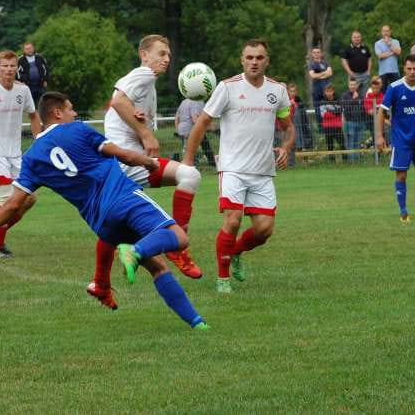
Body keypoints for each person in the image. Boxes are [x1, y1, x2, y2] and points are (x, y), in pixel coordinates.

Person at [0, 92, 208, 329]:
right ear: (57, 113)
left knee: (157, 266)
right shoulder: (77, 129)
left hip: (100, 221)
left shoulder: (32, 157)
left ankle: (197, 323)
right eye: (71, 108)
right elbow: (124, 155)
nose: (74, 113)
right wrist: (149, 162)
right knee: (179, 237)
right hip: (123, 197)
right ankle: (134, 251)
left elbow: (14, 203)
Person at [182, 39, 295, 294]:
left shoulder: (277, 90)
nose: (254, 62)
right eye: (249, 57)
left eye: (259, 57)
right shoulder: (227, 88)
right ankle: (223, 280)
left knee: (264, 230)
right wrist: (188, 159)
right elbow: (201, 123)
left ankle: (234, 253)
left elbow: (288, 128)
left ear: (267, 60)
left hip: (263, 170)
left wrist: (286, 147)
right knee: (232, 221)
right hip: (232, 167)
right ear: (242, 60)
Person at [103, 35, 203, 279]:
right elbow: (117, 101)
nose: (166, 59)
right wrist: (146, 135)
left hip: (123, 163)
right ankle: (176, 246)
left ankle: (100, 283)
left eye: (168, 55)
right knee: (189, 175)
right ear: (144, 55)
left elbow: (117, 106)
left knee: (114, 227)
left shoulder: (146, 84)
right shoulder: (144, 74)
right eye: (161, 54)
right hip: (129, 162)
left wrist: (139, 127)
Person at [0, 50, 42, 258]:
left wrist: (39, 140)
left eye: (12, 66)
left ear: (17, 68)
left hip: (15, 153)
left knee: (29, 199)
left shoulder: (23, 90)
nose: (9, 69)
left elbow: (33, 114)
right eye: (4, 66)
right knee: (7, 199)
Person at [375, 54, 415, 222]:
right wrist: (380, 136)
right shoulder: (395, 88)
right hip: (401, 139)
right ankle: (403, 212)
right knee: (401, 175)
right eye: (409, 68)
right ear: (404, 68)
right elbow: (382, 111)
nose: (412, 72)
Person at [175, 98, 216, 167]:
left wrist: (178, 129)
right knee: (202, 146)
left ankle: (210, 162)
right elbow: (195, 119)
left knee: (200, 145)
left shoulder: (184, 102)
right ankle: (192, 164)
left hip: (182, 129)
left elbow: (177, 118)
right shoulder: (196, 101)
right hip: (192, 129)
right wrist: (208, 127)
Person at [341, 78, 366, 162]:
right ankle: (351, 162)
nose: (353, 86)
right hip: (349, 122)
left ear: (356, 85)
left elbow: (364, 107)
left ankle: (357, 161)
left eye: (354, 84)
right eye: (351, 84)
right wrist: (354, 99)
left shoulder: (361, 95)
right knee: (350, 143)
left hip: (360, 122)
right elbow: (345, 108)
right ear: (348, 85)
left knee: (358, 143)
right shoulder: (345, 95)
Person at [307, 47, 333, 124]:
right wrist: (325, 73)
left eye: (318, 52)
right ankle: (320, 129)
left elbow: (330, 73)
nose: (316, 54)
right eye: (314, 52)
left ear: (321, 54)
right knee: (318, 111)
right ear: (312, 54)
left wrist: (319, 75)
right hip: (316, 91)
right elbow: (313, 76)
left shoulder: (325, 63)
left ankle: (329, 126)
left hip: (327, 91)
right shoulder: (311, 65)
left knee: (329, 109)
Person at [319, 84, 345, 162]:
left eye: (330, 91)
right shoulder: (322, 102)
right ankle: (332, 162)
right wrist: (335, 113)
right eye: (327, 91)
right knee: (330, 146)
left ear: (333, 91)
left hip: (337, 126)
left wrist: (329, 111)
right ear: (325, 92)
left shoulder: (338, 100)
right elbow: (323, 115)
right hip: (327, 127)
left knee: (342, 144)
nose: (329, 93)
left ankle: (346, 161)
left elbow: (341, 111)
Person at [375, 25, 401, 91]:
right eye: (384, 31)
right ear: (381, 32)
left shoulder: (396, 41)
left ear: (390, 32)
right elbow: (380, 56)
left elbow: (398, 52)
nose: (385, 33)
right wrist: (392, 52)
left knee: (397, 90)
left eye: (387, 31)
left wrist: (389, 44)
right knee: (383, 92)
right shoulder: (377, 43)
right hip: (383, 72)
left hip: (394, 70)